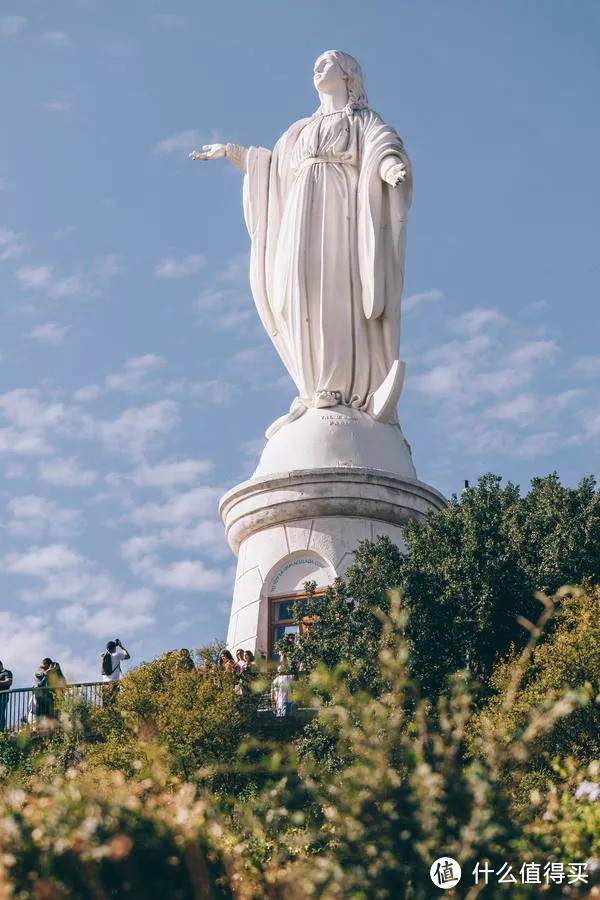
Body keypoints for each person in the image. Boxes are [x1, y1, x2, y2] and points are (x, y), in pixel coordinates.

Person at [191, 50, 412, 435]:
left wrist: (390, 167)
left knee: (334, 290)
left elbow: (383, 146)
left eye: (328, 62)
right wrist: (232, 152)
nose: (318, 67)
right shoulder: (300, 129)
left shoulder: (362, 120)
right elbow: (275, 167)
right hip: (300, 213)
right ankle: (312, 389)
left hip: (342, 209)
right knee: (297, 290)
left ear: (348, 75)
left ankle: (341, 387)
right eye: (316, 63)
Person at [0, 661, 13, 731]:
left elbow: (9, 682)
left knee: (0, 713)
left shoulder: (7, 672)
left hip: (3, 695)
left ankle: (1, 731)